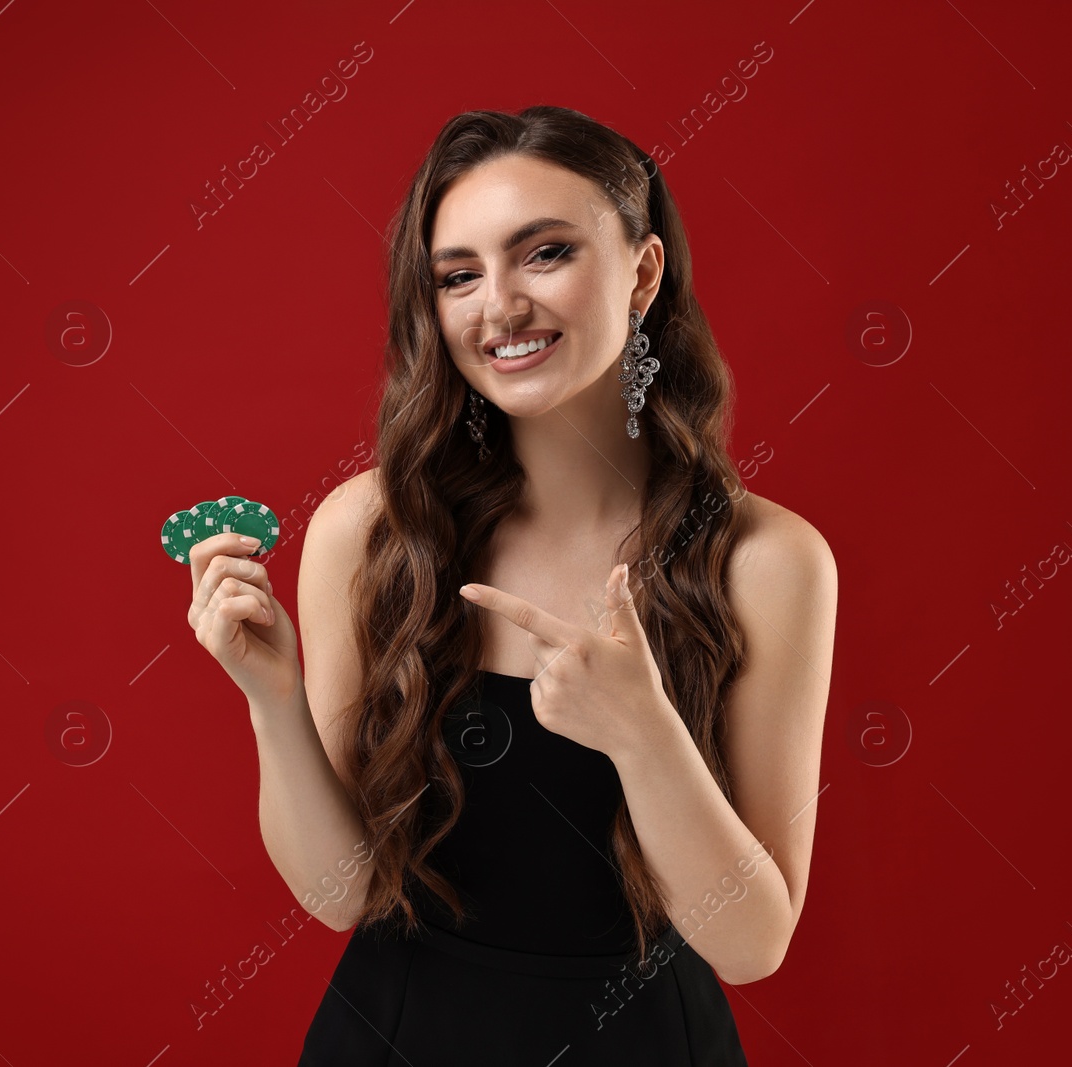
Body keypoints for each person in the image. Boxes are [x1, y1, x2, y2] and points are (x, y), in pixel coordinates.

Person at [185, 105, 837, 1065]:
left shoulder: (768, 561)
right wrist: (271, 700)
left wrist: (643, 733)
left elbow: (751, 947)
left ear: (643, 272)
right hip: (393, 1036)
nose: (498, 305)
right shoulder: (369, 531)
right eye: (458, 274)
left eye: (544, 254)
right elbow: (344, 894)